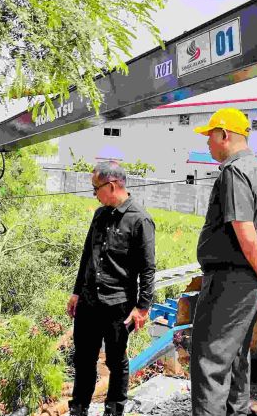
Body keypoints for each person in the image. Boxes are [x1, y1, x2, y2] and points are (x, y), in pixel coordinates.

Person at [189, 107, 257, 416]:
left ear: (224, 135)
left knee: (210, 360)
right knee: (236, 358)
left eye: (209, 137)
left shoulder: (234, 172)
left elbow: (244, 231)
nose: (207, 144)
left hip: (230, 279)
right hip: (248, 280)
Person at [67, 161, 156, 416]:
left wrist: (142, 307)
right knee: (83, 359)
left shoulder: (140, 219)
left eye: (96, 188)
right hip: (88, 301)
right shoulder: (100, 214)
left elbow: (148, 268)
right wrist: (76, 292)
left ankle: (114, 410)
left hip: (118, 304)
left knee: (116, 361)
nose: (94, 193)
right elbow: (87, 256)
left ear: (112, 185)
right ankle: (79, 409)